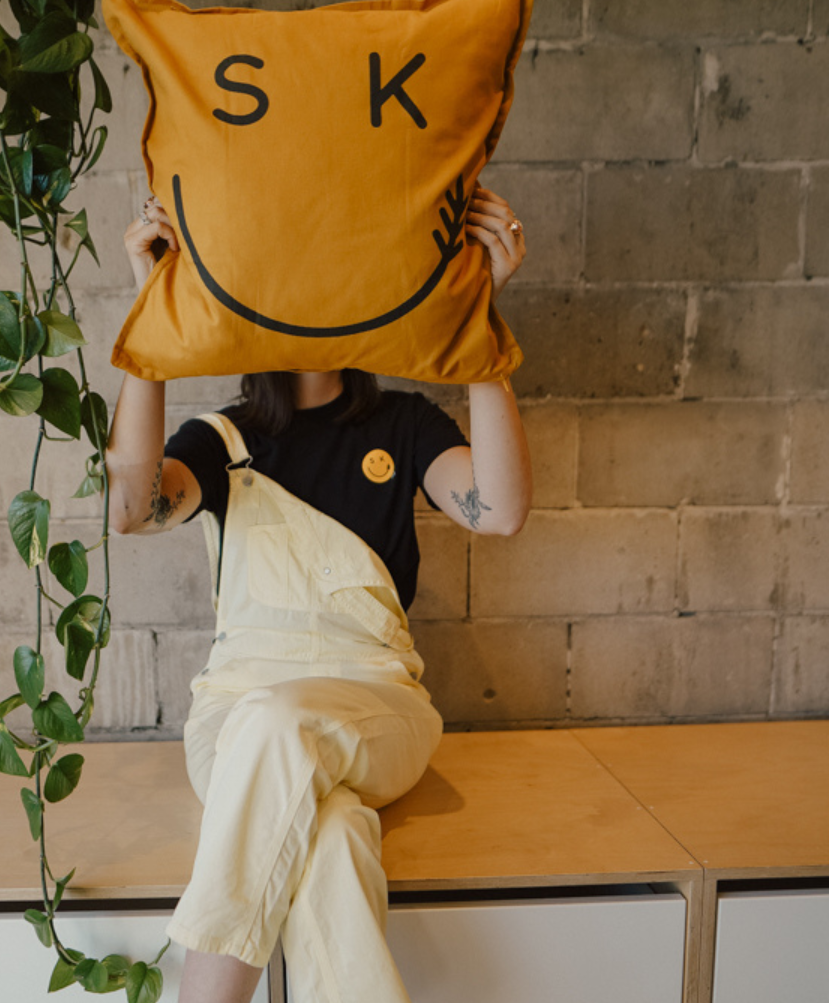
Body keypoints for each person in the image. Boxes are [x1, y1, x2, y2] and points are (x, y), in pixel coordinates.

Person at [105, 186, 531, 1003]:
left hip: (377, 709)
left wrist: (482, 326)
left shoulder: (405, 426)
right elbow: (130, 510)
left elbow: (501, 510)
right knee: (331, 838)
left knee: (281, 721)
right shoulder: (220, 440)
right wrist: (150, 321)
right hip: (235, 720)